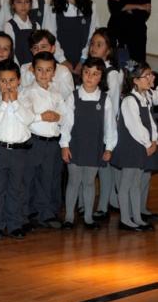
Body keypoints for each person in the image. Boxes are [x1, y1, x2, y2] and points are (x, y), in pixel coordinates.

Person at [61, 57, 116, 230]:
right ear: (82, 73)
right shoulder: (73, 97)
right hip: (76, 146)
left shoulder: (105, 99)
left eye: (95, 74)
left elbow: (110, 126)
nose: (90, 77)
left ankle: (88, 218)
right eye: (87, 72)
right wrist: (65, 145)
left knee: (89, 182)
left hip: (94, 147)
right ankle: (69, 217)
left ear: (101, 77)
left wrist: (108, 147)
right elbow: (66, 124)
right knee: (73, 182)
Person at [0, 59, 35, 240]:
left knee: (17, 188)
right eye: (3, 81)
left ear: (19, 80)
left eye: (12, 80)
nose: (8, 85)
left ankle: (14, 223)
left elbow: (27, 119)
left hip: (19, 151)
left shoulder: (25, 100)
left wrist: (14, 102)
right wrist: (5, 103)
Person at [110, 60, 157, 231]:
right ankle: (125, 219)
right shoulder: (129, 100)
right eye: (148, 75)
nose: (152, 77)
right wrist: (147, 141)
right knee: (127, 183)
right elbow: (134, 125)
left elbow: (151, 122)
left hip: (142, 146)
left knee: (136, 183)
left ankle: (137, 217)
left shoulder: (146, 96)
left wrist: (154, 140)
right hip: (132, 147)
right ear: (136, 80)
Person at [22, 51, 65, 229]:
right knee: (28, 179)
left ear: (54, 72)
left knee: (48, 179)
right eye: (40, 69)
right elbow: (24, 116)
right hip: (34, 141)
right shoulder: (27, 91)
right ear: (33, 70)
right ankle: (24, 214)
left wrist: (58, 117)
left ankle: (45, 214)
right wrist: (42, 117)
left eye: (48, 70)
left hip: (52, 142)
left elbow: (65, 117)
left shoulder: (56, 93)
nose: (44, 74)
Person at [89, 28, 123, 221]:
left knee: (104, 166)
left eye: (99, 45)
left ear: (109, 50)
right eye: (92, 43)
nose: (94, 47)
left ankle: (104, 206)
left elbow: (114, 103)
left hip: (105, 125)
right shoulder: (92, 68)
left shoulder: (111, 74)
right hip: (92, 124)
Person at [45, 0, 98, 74]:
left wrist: (83, 59)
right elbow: (50, 37)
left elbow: (93, 37)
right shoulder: (53, 7)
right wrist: (63, 60)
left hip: (84, 64)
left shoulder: (91, 6)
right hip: (59, 63)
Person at [19, 30, 74, 100]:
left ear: (53, 48)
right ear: (31, 50)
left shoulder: (63, 71)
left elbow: (69, 98)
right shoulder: (25, 68)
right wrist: (30, 73)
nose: (39, 51)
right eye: (35, 48)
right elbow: (22, 94)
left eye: (43, 46)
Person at [2, 0, 40, 65]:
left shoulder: (36, 25)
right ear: (12, 5)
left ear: (30, 4)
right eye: (19, 2)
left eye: (26, 1)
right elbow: (11, 52)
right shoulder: (9, 26)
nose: (23, 5)